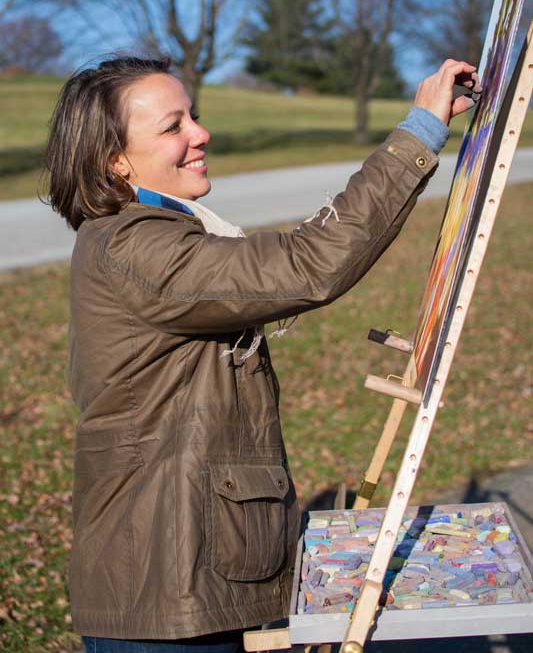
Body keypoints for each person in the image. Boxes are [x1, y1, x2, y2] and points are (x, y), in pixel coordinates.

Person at [43, 55, 478, 653]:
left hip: (182, 577)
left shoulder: (157, 234)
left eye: (194, 115)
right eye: (173, 127)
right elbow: (307, 263)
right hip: (166, 595)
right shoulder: (135, 249)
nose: (201, 133)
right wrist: (420, 130)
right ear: (114, 162)